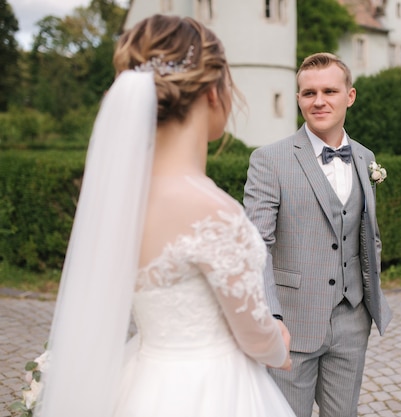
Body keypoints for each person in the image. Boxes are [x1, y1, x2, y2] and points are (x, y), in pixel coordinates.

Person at [34, 15, 296, 417]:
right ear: (213, 92)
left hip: (141, 378)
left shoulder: (120, 197)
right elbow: (254, 335)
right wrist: (278, 344)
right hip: (212, 389)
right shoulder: (212, 210)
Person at [243, 52, 393, 417]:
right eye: (309, 93)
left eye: (329, 90)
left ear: (350, 96)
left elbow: (364, 233)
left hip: (352, 318)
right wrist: (272, 317)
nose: (319, 100)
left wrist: (367, 304)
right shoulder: (269, 160)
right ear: (298, 99)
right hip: (292, 322)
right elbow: (254, 246)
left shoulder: (364, 157)